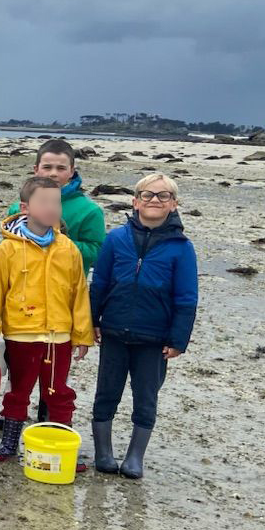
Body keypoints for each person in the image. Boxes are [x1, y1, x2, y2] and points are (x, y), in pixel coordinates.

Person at [89, 173, 198, 480]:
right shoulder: (116, 239)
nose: (154, 200)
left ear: (173, 204)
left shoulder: (181, 248)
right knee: (106, 392)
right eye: (148, 195)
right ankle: (104, 452)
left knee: (146, 396)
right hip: (113, 331)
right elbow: (99, 283)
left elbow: (187, 297)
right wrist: (91, 321)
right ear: (135, 202)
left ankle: (135, 456)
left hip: (154, 339)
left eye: (163, 196)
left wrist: (178, 339)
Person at [0, 176, 95, 462]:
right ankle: (9, 443)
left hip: (60, 337)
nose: (51, 208)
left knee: (59, 393)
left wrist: (82, 335)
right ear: (25, 207)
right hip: (21, 335)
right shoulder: (8, 249)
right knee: (18, 391)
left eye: (56, 203)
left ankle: (59, 446)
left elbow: (79, 293)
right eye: (44, 202)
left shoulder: (68, 249)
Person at [5, 138, 105, 272]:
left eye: (61, 168)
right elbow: (6, 250)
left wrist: (55, 241)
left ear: (71, 171)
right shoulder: (18, 209)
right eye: (47, 167)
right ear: (36, 169)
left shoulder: (90, 211)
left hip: (65, 286)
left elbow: (96, 253)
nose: (53, 173)